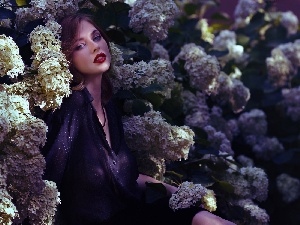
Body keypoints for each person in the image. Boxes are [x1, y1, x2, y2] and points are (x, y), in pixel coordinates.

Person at [41, 13, 236, 225]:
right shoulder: (71, 110)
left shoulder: (109, 108)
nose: (95, 47)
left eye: (96, 37)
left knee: (211, 220)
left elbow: (127, 178)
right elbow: (46, 184)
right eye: (80, 45)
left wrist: (177, 190)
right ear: (66, 58)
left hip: (133, 212)